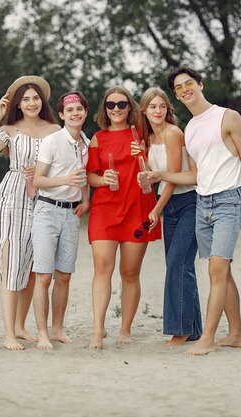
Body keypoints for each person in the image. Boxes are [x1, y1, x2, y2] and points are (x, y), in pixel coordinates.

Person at [146, 67, 241, 355]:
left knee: (217, 269)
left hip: (229, 201)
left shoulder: (228, 117)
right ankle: (237, 333)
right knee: (222, 272)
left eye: (188, 83)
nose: (184, 90)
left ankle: (207, 338)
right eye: (178, 88)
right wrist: (160, 176)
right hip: (202, 203)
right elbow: (194, 176)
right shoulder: (189, 129)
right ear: (177, 96)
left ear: (200, 84)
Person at [0, 75, 60, 351]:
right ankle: (8, 334)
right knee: (12, 261)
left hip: (44, 196)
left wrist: (43, 171)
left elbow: (62, 162)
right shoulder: (10, 130)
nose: (31, 102)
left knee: (34, 266)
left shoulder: (53, 129)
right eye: (25, 99)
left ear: (42, 101)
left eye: (35, 97)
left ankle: (20, 326)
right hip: (13, 195)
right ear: (17, 104)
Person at [86, 86, 161, 349]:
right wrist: (102, 179)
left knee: (130, 273)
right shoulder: (97, 139)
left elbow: (157, 171)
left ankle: (126, 329)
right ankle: (98, 330)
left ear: (130, 107)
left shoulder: (142, 135)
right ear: (104, 109)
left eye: (121, 104)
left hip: (137, 208)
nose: (116, 109)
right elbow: (90, 176)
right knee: (101, 268)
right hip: (105, 210)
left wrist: (142, 156)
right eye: (110, 105)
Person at [136, 87, 202, 346]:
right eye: (153, 107)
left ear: (168, 110)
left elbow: (172, 178)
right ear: (144, 110)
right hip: (169, 206)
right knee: (181, 266)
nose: (158, 111)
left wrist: (155, 209)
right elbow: (148, 182)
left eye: (162, 106)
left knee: (177, 264)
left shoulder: (175, 134)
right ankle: (194, 329)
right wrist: (140, 162)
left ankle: (180, 330)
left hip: (188, 203)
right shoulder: (147, 139)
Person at [31, 92, 91, 350]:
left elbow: (86, 177)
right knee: (44, 276)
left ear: (85, 112)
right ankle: (42, 333)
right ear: (63, 115)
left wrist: (85, 200)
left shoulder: (87, 143)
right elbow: (38, 180)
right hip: (47, 211)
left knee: (64, 276)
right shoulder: (52, 141)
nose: (75, 113)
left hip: (71, 215)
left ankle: (57, 329)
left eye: (79, 109)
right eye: (70, 110)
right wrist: (66, 180)